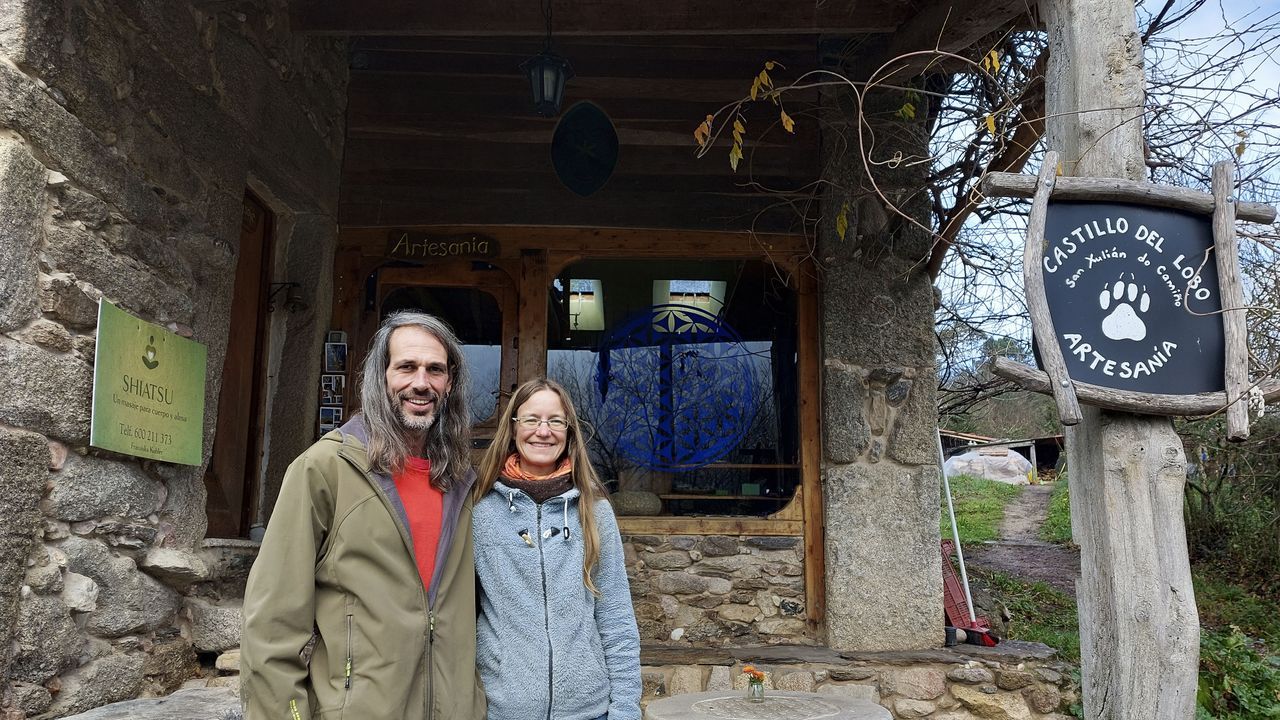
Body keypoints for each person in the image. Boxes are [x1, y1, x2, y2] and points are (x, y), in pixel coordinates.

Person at [241, 311, 485, 720]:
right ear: (380, 376)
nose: (421, 382)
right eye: (406, 367)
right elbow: (271, 624)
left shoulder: (462, 483)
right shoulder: (325, 469)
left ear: (450, 383)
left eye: (435, 370)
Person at [472, 379, 641, 720]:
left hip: (588, 711)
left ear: (569, 431)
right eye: (532, 419)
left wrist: (625, 710)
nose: (543, 431)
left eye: (555, 421)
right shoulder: (479, 509)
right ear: (513, 427)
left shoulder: (593, 509)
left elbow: (616, 618)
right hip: (503, 710)